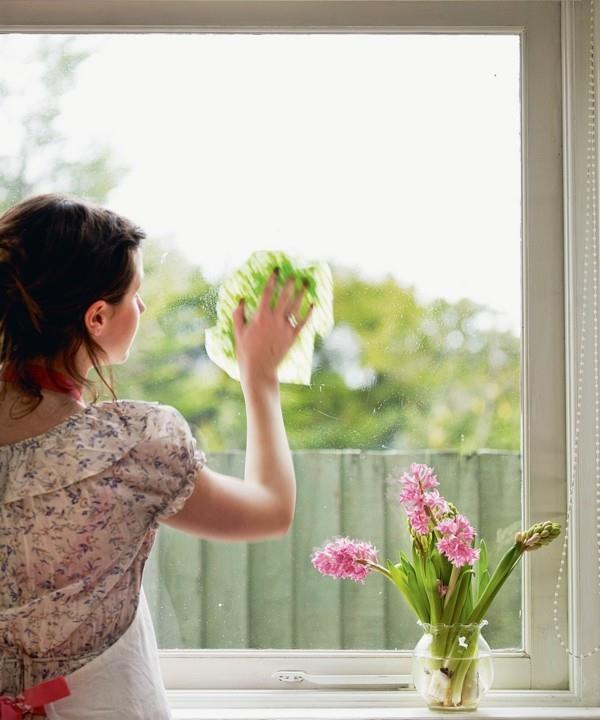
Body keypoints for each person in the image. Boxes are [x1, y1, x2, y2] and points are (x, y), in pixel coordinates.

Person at [0, 192, 313, 719]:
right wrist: (260, 378)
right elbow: (271, 509)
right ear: (96, 317)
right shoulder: (130, 446)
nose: (141, 308)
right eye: (136, 294)